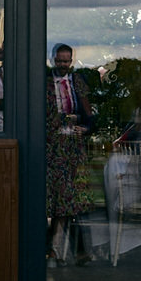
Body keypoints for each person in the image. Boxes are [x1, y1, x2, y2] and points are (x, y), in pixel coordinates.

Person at [46, 43, 95, 259]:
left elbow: (89, 115)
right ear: (52, 60)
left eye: (66, 61)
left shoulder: (77, 82)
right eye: (59, 61)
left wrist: (84, 128)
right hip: (51, 147)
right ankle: (54, 247)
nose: (63, 65)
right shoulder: (45, 82)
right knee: (56, 199)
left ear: (72, 61)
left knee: (73, 200)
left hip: (73, 148)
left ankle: (71, 249)